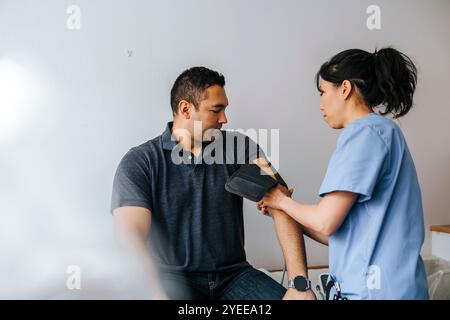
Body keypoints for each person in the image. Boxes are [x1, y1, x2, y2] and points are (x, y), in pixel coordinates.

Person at [111, 66, 315, 300]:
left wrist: (299, 283)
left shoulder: (240, 148)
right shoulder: (140, 161)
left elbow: (282, 205)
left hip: (235, 276)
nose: (224, 119)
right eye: (216, 110)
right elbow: (130, 234)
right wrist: (153, 292)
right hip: (172, 278)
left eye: (225, 109)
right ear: (185, 109)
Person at [258, 48, 429, 299]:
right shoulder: (382, 131)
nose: (321, 104)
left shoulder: (365, 134)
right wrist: (284, 210)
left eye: (323, 92)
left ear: (345, 88)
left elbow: (325, 221)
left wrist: (282, 201)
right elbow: (340, 235)